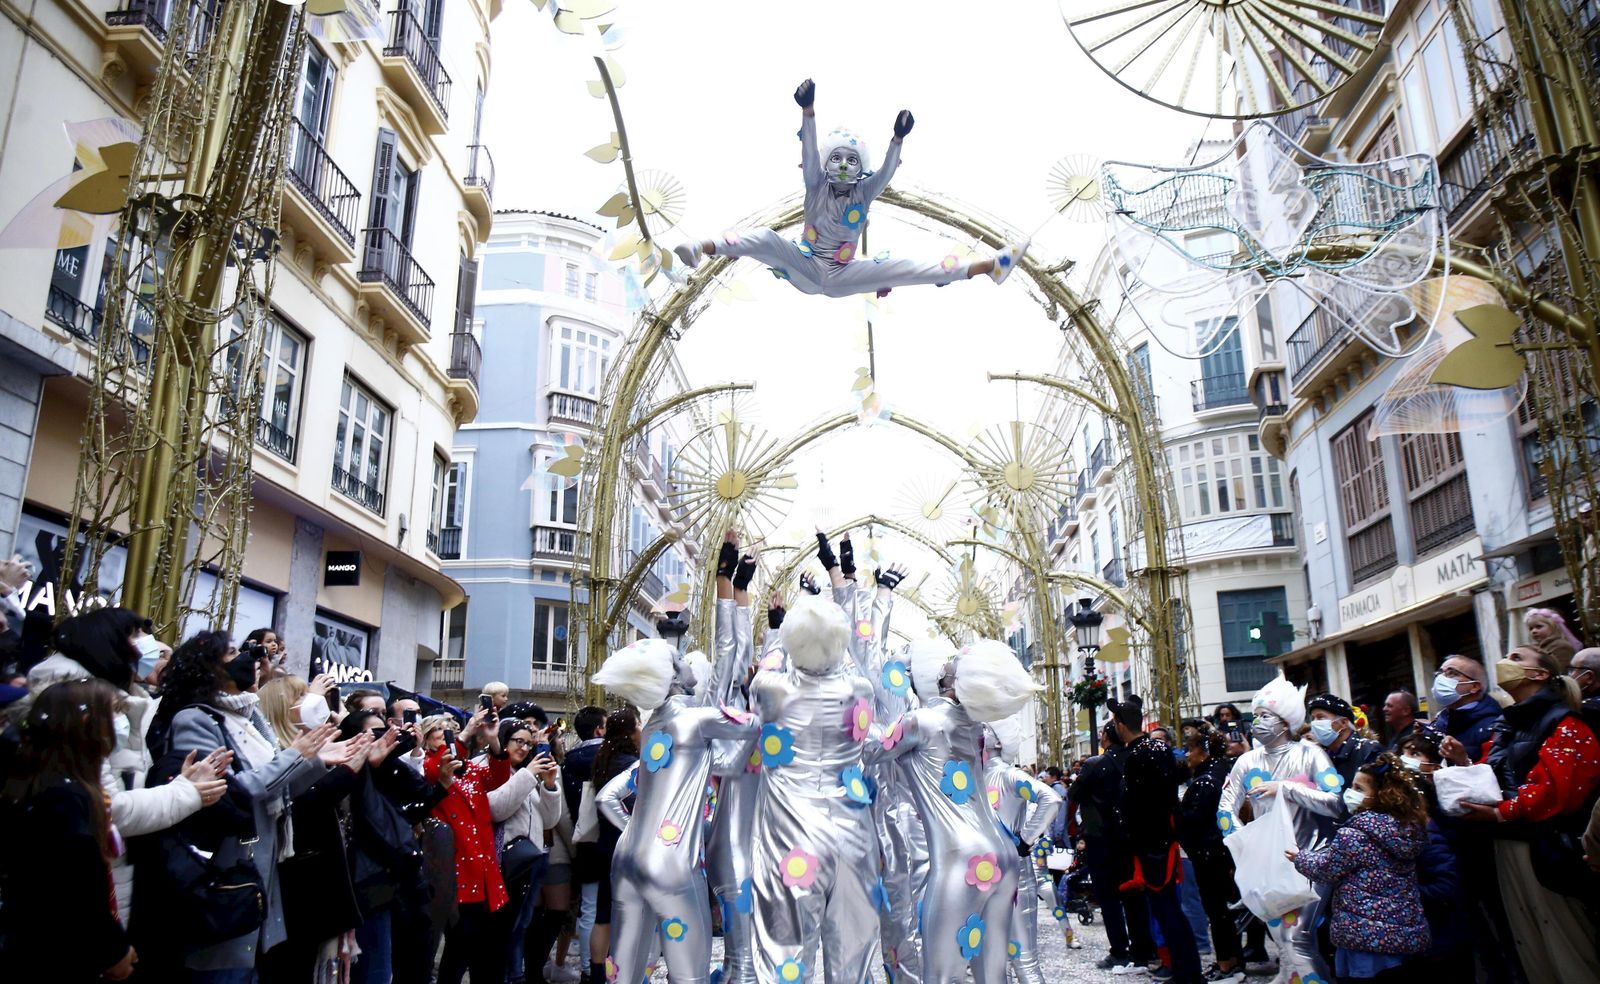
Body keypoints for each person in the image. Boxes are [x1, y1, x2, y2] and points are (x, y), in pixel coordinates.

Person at [673, 78, 1026, 295]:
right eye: (837, 159)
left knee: (904, 266)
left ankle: (989, 267)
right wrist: (808, 110)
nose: (843, 165)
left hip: (843, 274)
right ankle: (700, 247)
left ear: (861, 167)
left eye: (852, 160)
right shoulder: (815, 185)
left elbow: (886, 173)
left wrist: (898, 139)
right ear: (827, 164)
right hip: (807, 266)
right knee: (765, 238)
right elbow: (808, 151)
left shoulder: (864, 192)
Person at [144, 630, 361, 981]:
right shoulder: (197, 719)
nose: (251, 660)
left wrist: (315, 762)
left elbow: (279, 790)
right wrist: (297, 757)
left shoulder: (248, 719)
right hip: (227, 870)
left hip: (263, 869)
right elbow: (226, 793)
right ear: (209, 668)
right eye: (234, 653)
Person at [872, 637, 1040, 984]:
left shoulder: (921, 721)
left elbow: (870, 748)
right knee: (992, 977)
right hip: (1003, 854)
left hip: (963, 861)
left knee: (942, 975)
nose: (948, 664)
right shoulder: (974, 728)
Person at [1457, 645, 1600, 979]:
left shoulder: (1567, 721)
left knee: (1566, 950)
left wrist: (1500, 813)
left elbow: (1556, 790)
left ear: (1541, 674)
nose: (1505, 662)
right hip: (1512, 843)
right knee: (1532, 951)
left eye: (1517, 658)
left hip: (1547, 850)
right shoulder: (1510, 722)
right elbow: (1495, 774)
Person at [0, 679, 143, 981]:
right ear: (88, 725)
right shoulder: (64, 798)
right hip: (57, 954)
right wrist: (113, 950)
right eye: (113, 715)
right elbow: (80, 890)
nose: (117, 725)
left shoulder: (36, 777)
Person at [1217, 676, 1342, 983]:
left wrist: (1285, 788)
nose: (1257, 722)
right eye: (1256, 715)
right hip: (1267, 864)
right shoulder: (1246, 762)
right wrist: (1245, 846)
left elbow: (1335, 803)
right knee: (1282, 939)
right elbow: (1225, 809)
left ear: (1285, 722)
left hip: (1312, 857)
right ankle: (1291, 977)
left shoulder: (1310, 754)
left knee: (1298, 937)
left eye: (1265, 716)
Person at [1290, 753, 1431, 979]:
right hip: (1402, 931)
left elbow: (1325, 869)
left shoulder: (1355, 835)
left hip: (1363, 933)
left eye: (1359, 788)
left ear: (1380, 796)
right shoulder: (1408, 829)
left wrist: (1300, 857)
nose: (1351, 793)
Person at [1110, 696, 1203, 984]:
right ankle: (1186, 970)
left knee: (1167, 912)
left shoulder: (1139, 755)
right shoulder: (1158, 749)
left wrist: (1134, 838)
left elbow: (1139, 805)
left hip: (1153, 846)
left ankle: (1188, 973)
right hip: (1162, 840)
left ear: (1121, 726)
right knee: (1169, 912)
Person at [1067, 721, 1154, 973]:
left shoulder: (1095, 764)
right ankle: (1142, 949)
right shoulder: (1135, 758)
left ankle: (1119, 951)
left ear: (1106, 736)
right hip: (1129, 837)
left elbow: (1074, 794)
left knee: (1108, 898)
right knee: (1133, 894)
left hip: (1101, 837)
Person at [493, 718, 564, 984]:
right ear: (503, 741)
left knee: (521, 924)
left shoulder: (527, 774)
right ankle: (510, 975)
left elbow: (549, 820)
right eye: (517, 742)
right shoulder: (490, 769)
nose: (523, 748)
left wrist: (548, 785)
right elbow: (497, 808)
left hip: (530, 861)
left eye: (527, 743)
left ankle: (516, 974)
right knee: (503, 928)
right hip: (502, 863)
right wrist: (528, 774)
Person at [1395, 731, 1471, 974]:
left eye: (1414, 753)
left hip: (1444, 925)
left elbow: (1447, 881)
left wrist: (1405, 892)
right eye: (1404, 752)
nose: (1405, 758)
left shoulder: (1437, 815)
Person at [1178, 727, 1244, 984]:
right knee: (1224, 911)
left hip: (1210, 853)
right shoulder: (1223, 773)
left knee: (1217, 912)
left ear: (1203, 752)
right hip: (1223, 852)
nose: (1188, 755)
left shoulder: (1206, 782)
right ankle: (1232, 961)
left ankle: (1228, 964)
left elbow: (1194, 820)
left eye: (1191, 749)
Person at [587, 706, 639, 984]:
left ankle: (598, 974)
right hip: (625, 846)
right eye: (639, 724)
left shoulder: (602, 759)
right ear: (630, 732)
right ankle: (621, 972)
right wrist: (633, 828)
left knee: (603, 914)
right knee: (627, 914)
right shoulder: (631, 764)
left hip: (605, 842)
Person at [563, 705, 608, 984]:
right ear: (599, 729)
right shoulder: (611, 756)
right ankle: (606, 964)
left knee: (589, 907)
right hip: (611, 838)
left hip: (584, 839)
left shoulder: (569, 759)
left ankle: (588, 969)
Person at [1429, 655, 1502, 763]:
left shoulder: (1494, 726)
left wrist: (1462, 761)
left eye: (1452, 673)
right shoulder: (1440, 720)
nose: (1440, 679)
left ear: (1474, 687)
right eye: (1440, 673)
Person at [1306, 692, 1381, 796]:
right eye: (1313, 718)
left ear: (1344, 723)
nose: (1314, 723)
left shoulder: (1368, 751)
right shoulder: (1320, 755)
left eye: (1320, 717)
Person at [1523, 607, 1581, 672]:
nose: (1533, 631)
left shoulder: (1561, 646)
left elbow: (1559, 671)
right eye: (1531, 628)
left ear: (1552, 626)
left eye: (1539, 626)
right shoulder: (1536, 647)